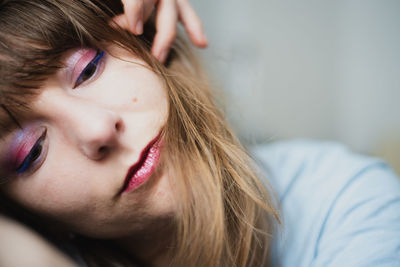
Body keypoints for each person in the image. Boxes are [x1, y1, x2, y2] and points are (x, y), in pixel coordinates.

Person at [0, 1, 399, 267]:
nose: (98, 128)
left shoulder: (345, 199)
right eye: (31, 152)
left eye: (88, 70)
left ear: (144, 44)